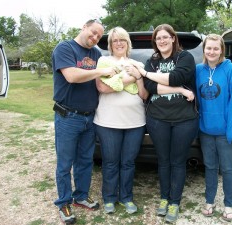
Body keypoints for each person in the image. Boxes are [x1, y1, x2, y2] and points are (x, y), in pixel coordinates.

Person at [52, 19, 117, 224]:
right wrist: (100, 71)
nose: (95, 38)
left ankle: (80, 196)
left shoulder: (96, 54)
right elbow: (71, 76)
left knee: (85, 161)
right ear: (84, 27)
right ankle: (64, 202)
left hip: (90, 117)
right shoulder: (65, 48)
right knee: (65, 163)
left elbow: (103, 80)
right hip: (68, 116)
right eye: (93, 32)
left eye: (99, 36)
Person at [133, 24, 199, 223]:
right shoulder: (152, 61)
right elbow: (151, 87)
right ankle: (164, 198)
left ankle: (174, 202)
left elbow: (177, 76)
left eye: (165, 37)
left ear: (172, 38)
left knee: (177, 161)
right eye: (158, 38)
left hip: (184, 119)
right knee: (163, 160)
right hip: (157, 119)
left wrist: (145, 74)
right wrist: (179, 90)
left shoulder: (185, 57)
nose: (161, 41)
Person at [93, 27, 148, 214]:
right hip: (108, 122)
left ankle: (126, 197)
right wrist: (131, 77)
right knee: (110, 162)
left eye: (122, 39)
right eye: (115, 40)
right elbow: (102, 87)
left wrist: (138, 77)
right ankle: (109, 198)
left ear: (127, 43)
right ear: (110, 44)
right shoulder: (104, 61)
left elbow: (143, 94)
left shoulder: (137, 63)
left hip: (136, 122)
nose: (119, 43)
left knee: (128, 163)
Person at [195, 34, 232, 222]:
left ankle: (228, 205)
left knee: (227, 169)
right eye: (208, 48)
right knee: (209, 167)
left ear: (221, 50)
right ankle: (209, 201)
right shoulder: (198, 70)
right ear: (204, 50)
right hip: (206, 130)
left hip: (226, 132)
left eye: (216, 48)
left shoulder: (230, 70)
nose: (212, 52)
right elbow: (195, 99)